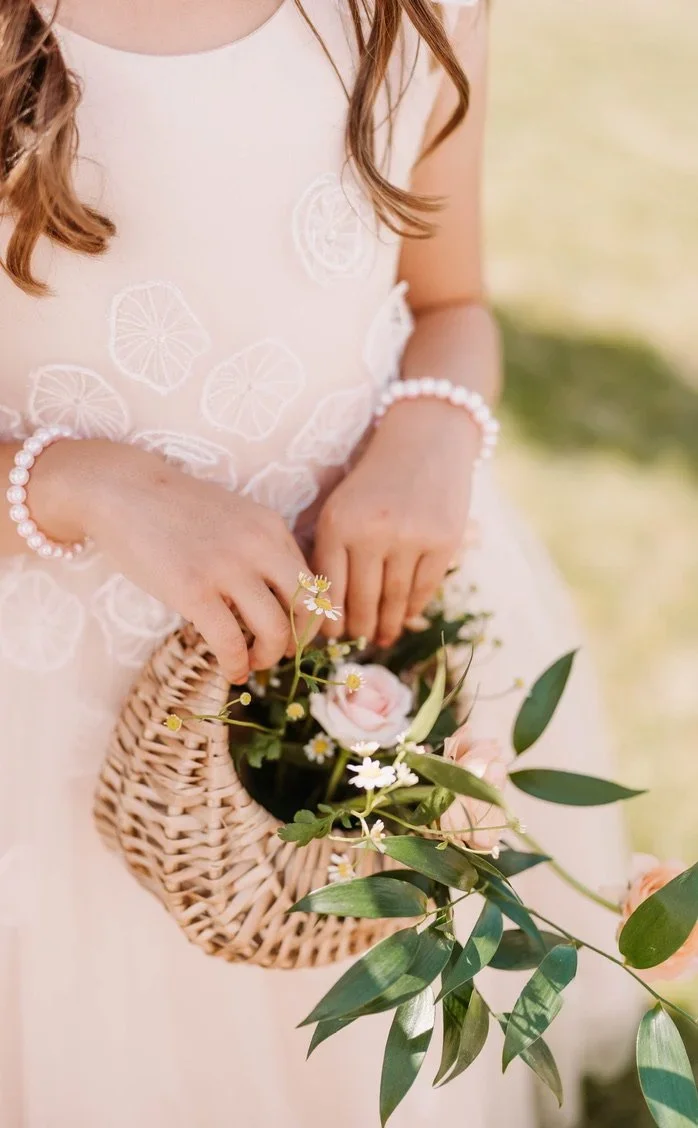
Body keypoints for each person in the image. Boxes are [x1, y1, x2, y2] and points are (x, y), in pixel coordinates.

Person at [0, 2, 639, 1124]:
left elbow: (451, 304)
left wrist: (434, 427)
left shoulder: (409, 13)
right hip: (42, 706)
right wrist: (80, 482)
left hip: (355, 674)